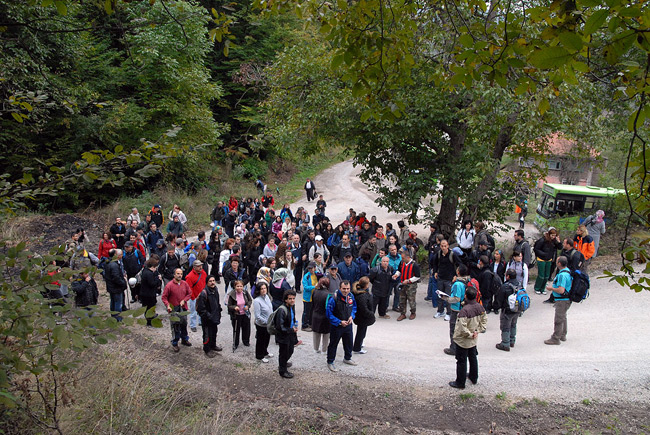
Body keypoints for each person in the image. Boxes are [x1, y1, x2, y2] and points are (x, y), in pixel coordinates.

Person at [448, 285, 487, 389]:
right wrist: (477, 332)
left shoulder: (464, 311)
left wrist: (469, 335)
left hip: (463, 340)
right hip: (473, 339)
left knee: (461, 360)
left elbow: (462, 328)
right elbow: (484, 322)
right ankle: (474, 377)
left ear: (465, 296)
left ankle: (460, 382)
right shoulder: (480, 307)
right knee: (473, 358)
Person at [326, 280, 357, 372]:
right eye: (344, 289)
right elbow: (329, 314)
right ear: (340, 288)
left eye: (348, 289)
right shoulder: (333, 298)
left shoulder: (351, 296)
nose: (346, 291)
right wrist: (339, 322)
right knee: (333, 344)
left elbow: (354, 308)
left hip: (348, 325)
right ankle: (330, 361)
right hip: (337, 326)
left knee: (349, 343)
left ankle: (347, 358)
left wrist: (352, 316)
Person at [442, 264, 470, 356]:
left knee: (453, 329)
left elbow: (456, 298)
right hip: (464, 308)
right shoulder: (467, 281)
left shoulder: (458, 284)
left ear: (458, 272)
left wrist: (446, 298)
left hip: (457, 309)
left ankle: (454, 348)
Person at [161, 268, 192, 352]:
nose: (180, 275)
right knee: (175, 326)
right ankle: (175, 343)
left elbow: (189, 293)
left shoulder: (184, 284)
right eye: (178, 274)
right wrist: (167, 305)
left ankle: (184, 339)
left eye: (181, 274)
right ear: (174, 275)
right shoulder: (169, 285)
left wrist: (184, 300)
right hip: (174, 309)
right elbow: (164, 297)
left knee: (184, 324)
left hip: (183, 308)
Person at [544, 256, 573, 345]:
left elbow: (561, 290)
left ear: (559, 263)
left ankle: (556, 338)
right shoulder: (567, 271)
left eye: (556, 261)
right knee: (563, 317)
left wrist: (551, 289)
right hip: (566, 299)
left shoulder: (562, 275)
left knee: (559, 319)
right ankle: (563, 335)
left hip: (562, 300)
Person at [195, 275, 223, 357]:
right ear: (207, 282)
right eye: (210, 281)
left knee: (214, 332)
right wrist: (208, 316)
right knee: (207, 334)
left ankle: (213, 345)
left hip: (214, 317)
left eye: (213, 280)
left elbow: (217, 302)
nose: (212, 282)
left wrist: (218, 311)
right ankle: (207, 349)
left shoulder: (215, 290)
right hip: (207, 319)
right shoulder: (204, 293)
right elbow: (201, 309)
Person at [431, 240, 458, 320]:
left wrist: (455, 275)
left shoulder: (452, 254)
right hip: (440, 277)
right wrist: (435, 271)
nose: (443, 247)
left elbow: (459, 264)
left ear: (448, 246)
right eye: (442, 246)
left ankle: (449, 313)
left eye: (445, 246)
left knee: (448, 296)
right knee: (440, 296)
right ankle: (440, 311)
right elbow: (434, 263)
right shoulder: (438, 254)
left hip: (449, 279)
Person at [495, 268, 520, 351]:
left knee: (505, 326)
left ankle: (505, 343)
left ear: (508, 276)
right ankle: (512, 340)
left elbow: (499, 299)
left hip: (507, 310)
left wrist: (497, 306)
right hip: (517, 309)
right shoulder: (519, 284)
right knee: (513, 324)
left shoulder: (505, 286)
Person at [275, 289, 298, 378]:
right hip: (283, 336)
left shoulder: (291, 307)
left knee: (290, 350)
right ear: (285, 300)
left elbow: (292, 318)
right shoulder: (282, 310)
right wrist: (291, 330)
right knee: (283, 353)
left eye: (293, 298)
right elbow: (280, 327)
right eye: (290, 299)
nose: (292, 300)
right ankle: (282, 371)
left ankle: (283, 363)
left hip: (290, 334)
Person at [533, 227, 561, 295]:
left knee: (546, 275)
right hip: (541, 259)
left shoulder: (554, 241)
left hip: (549, 259)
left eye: (554, 235)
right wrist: (544, 254)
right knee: (541, 275)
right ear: (549, 234)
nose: (553, 237)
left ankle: (543, 288)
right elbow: (536, 249)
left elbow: (560, 247)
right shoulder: (542, 240)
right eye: (552, 235)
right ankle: (537, 287)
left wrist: (559, 242)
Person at [394, 249, 421, 321]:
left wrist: (409, 280)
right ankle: (403, 313)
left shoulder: (414, 265)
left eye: (403, 258)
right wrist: (396, 275)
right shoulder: (402, 263)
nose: (402, 259)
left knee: (411, 299)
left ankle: (413, 312)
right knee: (402, 299)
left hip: (411, 285)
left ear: (408, 257)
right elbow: (399, 270)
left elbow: (418, 276)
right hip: (403, 283)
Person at [227, 280, 252, 350]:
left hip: (245, 313)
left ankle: (246, 341)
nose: (239, 288)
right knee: (236, 329)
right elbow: (229, 305)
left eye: (241, 286)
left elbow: (250, 300)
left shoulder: (245, 292)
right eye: (237, 286)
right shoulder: (231, 294)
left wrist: (248, 306)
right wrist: (234, 307)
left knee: (246, 328)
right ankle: (235, 343)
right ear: (235, 287)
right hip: (236, 315)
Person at [352, 277, 375, 353]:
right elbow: (364, 308)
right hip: (362, 317)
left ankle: (359, 344)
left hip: (361, 317)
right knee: (361, 332)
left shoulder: (361, 293)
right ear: (366, 285)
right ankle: (357, 348)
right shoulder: (362, 295)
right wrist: (371, 314)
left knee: (362, 332)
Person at [252, 282, 273, 363]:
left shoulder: (267, 297)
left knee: (267, 339)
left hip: (268, 323)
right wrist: (266, 322)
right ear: (259, 290)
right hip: (261, 325)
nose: (264, 290)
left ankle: (265, 352)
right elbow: (257, 316)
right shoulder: (257, 301)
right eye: (262, 289)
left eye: (265, 288)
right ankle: (259, 355)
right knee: (261, 340)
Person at [104, 249, 126, 321]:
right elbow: (116, 277)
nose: (122, 256)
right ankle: (117, 318)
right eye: (121, 254)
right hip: (116, 287)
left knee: (113, 301)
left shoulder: (108, 262)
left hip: (111, 286)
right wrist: (123, 283)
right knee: (117, 303)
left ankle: (113, 316)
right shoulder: (114, 265)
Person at [311, 277, 332, 354]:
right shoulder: (329, 295)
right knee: (326, 334)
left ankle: (315, 348)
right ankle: (324, 350)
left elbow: (312, 303)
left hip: (315, 314)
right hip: (325, 317)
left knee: (316, 333)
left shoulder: (315, 292)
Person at [185, 260, 207, 332]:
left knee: (203, 309)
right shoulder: (189, 276)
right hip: (194, 297)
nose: (200, 267)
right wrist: (193, 297)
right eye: (198, 266)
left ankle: (201, 322)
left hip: (202, 296)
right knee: (193, 311)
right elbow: (189, 288)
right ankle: (193, 325)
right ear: (194, 267)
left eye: (201, 265)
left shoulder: (203, 273)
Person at [140, 256, 162, 326]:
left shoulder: (145, 271)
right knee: (149, 308)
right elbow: (152, 284)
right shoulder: (149, 274)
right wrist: (158, 279)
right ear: (152, 266)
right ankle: (149, 322)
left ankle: (150, 319)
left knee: (148, 308)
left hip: (145, 293)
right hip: (148, 294)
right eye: (155, 267)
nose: (155, 269)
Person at [301, 262, 318, 331]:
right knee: (306, 312)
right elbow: (306, 287)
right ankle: (304, 325)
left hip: (314, 297)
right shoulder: (306, 276)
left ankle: (311, 324)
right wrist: (314, 287)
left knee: (312, 312)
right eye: (310, 269)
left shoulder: (317, 274)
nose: (311, 270)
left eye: (312, 268)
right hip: (307, 297)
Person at [386, 244, 402, 312]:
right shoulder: (387, 258)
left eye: (395, 249)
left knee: (398, 293)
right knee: (387, 293)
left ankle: (395, 306)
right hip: (389, 278)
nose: (394, 251)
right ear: (389, 250)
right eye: (392, 250)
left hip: (398, 277)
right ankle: (385, 306)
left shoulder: (400, 257)